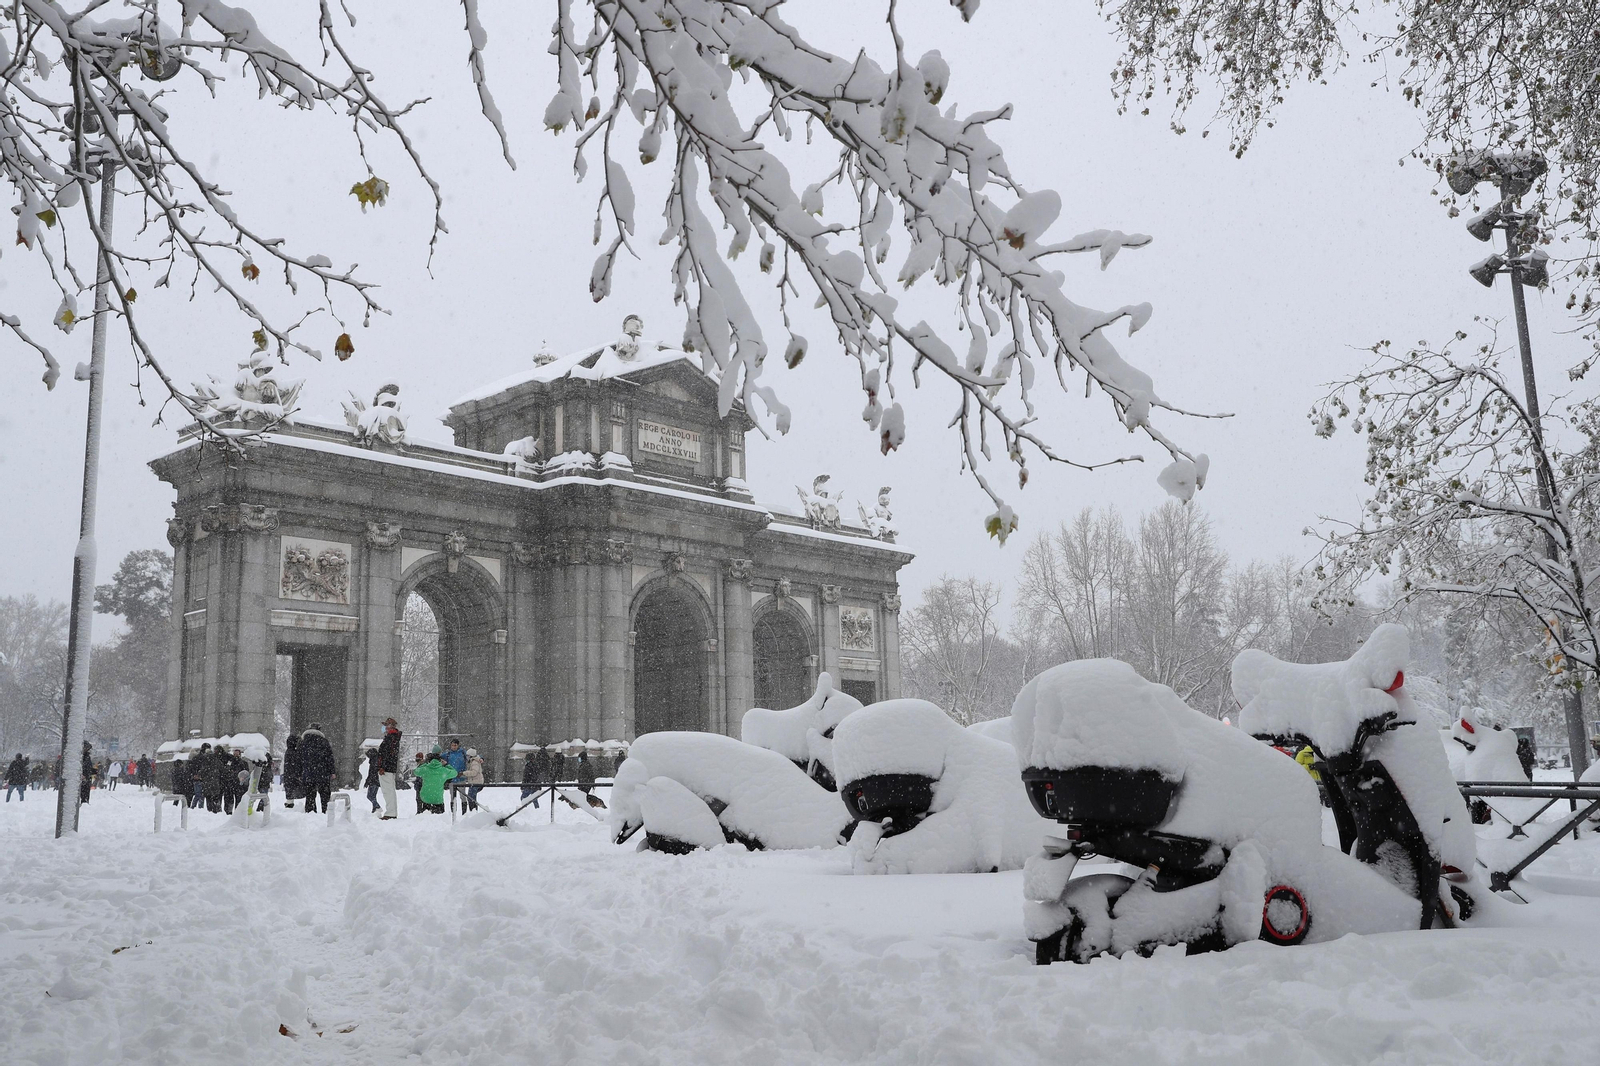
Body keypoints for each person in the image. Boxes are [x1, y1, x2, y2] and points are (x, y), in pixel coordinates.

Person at [298, 723, 337, 814]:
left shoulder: (303, 742)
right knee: (325, 794)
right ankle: (326, 811)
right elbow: (329, 758)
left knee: (310, 795)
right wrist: (332, 771)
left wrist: (300, 772)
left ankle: (310, 812)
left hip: (308, 773)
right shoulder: (324, 742)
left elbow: (299, 759)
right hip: (323, 772)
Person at [376, 718, 402, 820]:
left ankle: (390, 813)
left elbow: (386, 754)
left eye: (386, 725)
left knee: (388, 791)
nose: (384, 727)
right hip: (389, 767)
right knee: (389, 790)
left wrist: (382, 766)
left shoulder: (390, 738)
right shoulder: (393, 737)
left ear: (390, 725)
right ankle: (391, 812)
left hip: (386, 768)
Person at [282, 733, 302, 809]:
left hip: (288, 775)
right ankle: (290, 804)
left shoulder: (288, 752)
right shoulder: (295, 753)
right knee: (294, 789)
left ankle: (289, 803)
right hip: (293, 775)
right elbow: (297, 765)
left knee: (289, 790)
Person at [362, 746, 382, 813]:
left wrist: (367, 782)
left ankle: (377, 806)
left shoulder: (373, 761)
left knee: (370, 796)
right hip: (377, 781)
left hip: (373, 781)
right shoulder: (377, 760)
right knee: (373, 796)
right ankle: (374, 809)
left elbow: (371, 773)